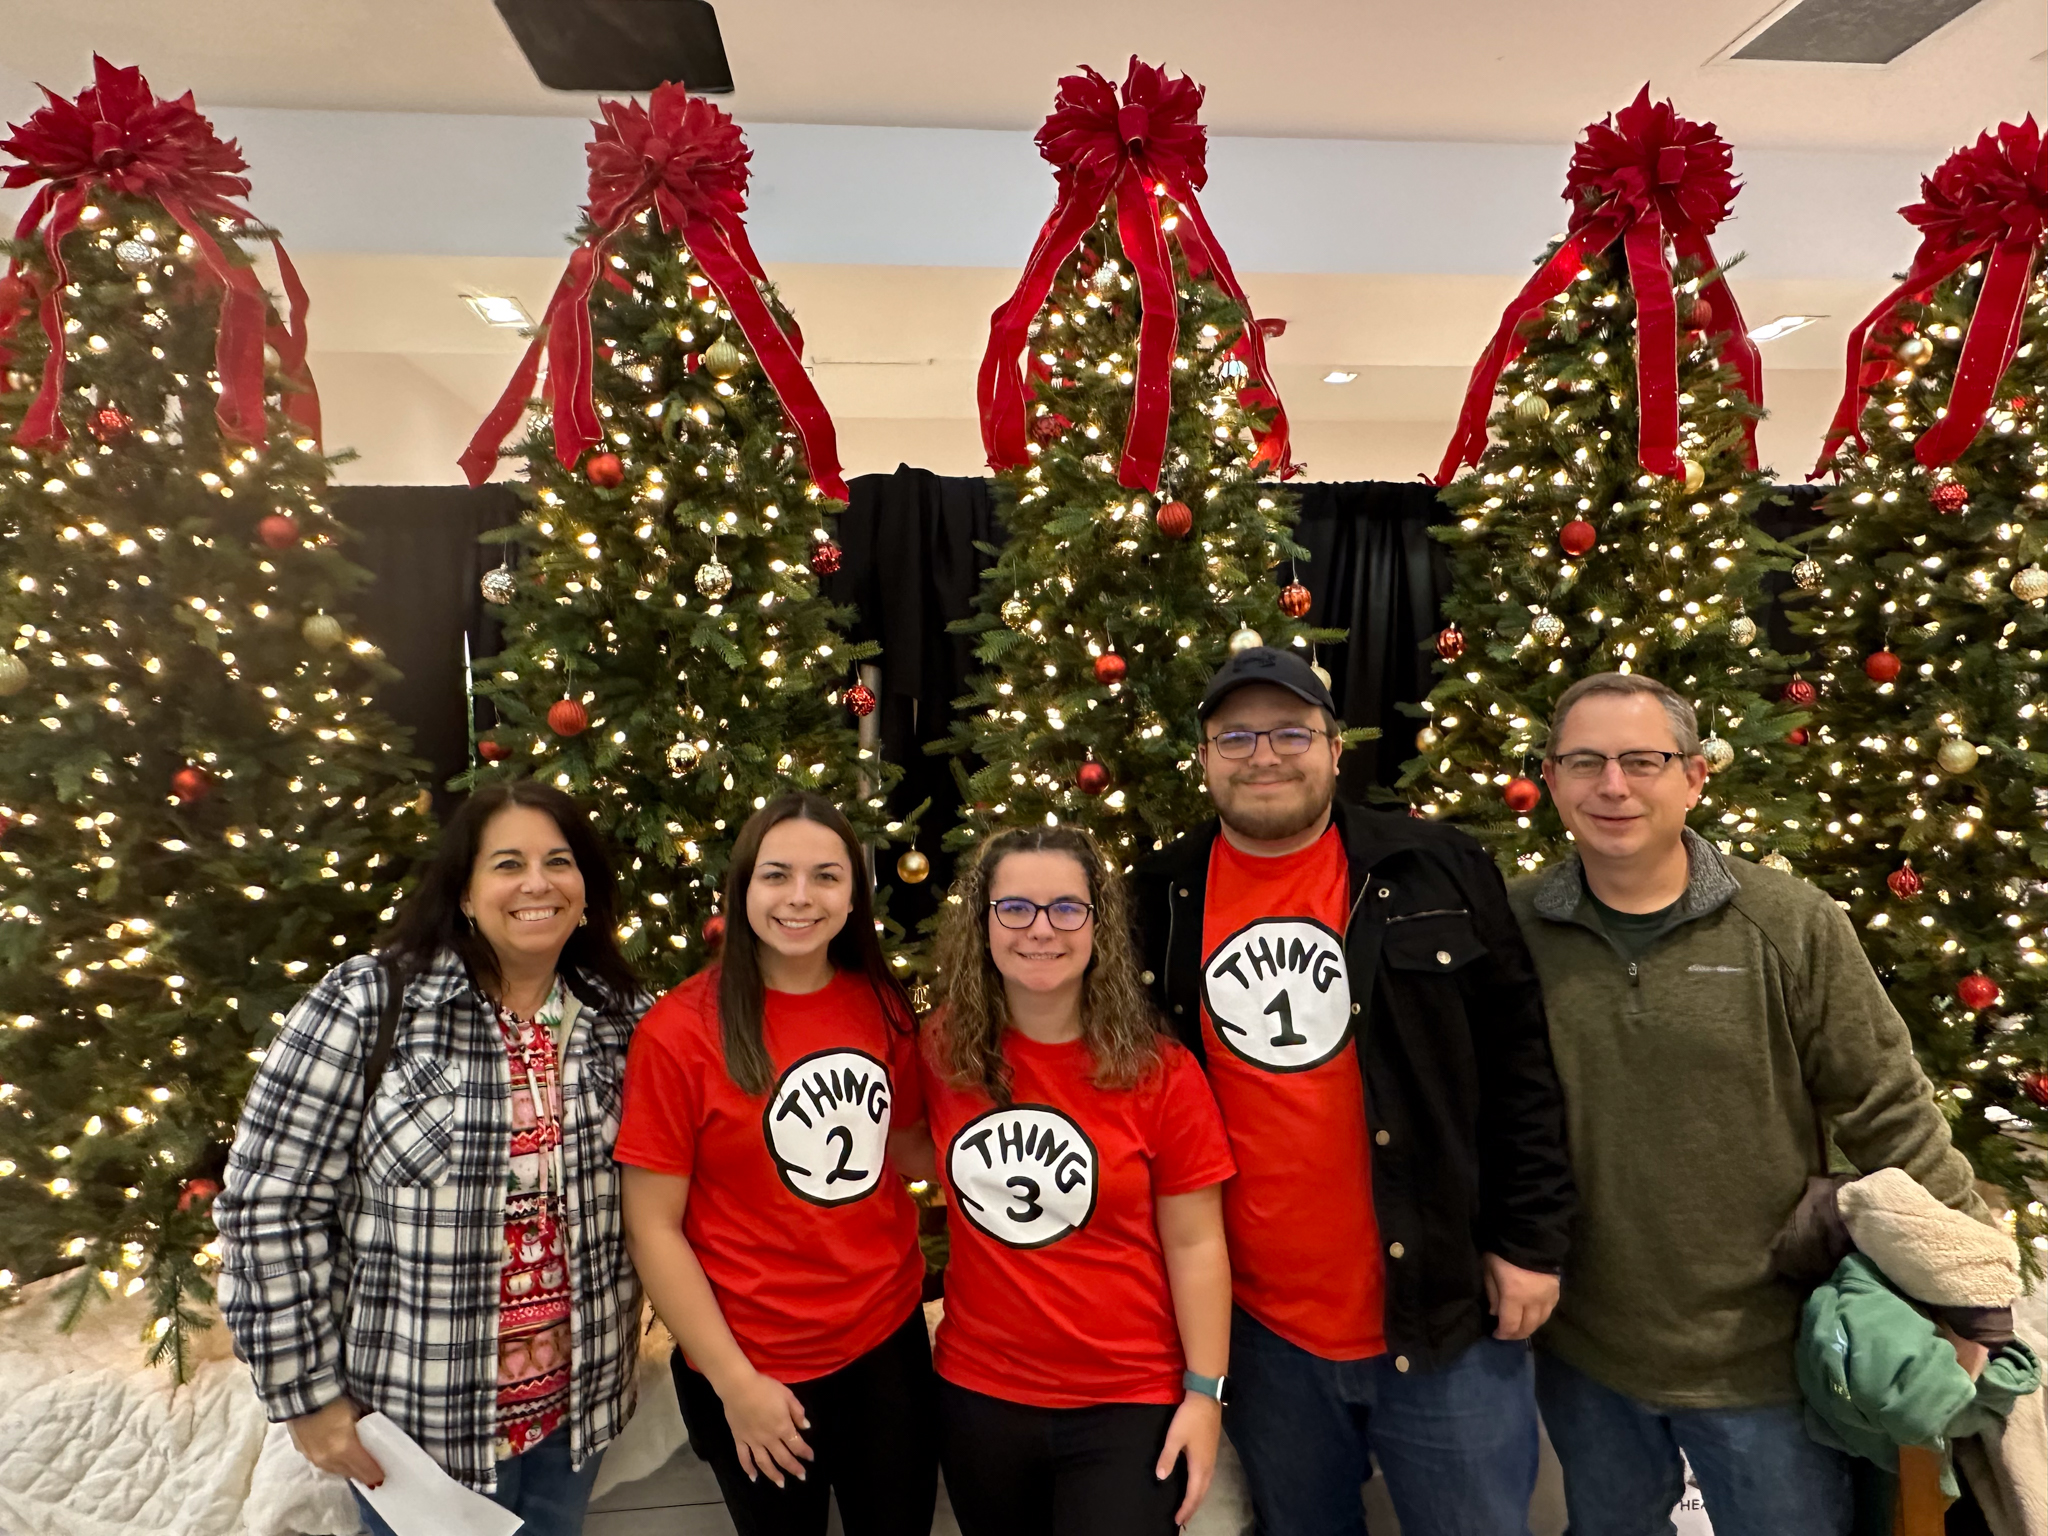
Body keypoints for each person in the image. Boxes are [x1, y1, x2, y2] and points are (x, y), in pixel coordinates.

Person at [1509, 671, 1986, 1535]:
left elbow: (1887, 1107)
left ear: (1695, 776)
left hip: (1761, 1354)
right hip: (1588, 1348)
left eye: (1642, 761)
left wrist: (1970, 1288)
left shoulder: (1790, 924)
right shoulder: (1513, 930)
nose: (1612, 786)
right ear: (1550, 778)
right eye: (1585, 762)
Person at [1131, 645, 1574, 1536]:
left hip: (1444, 1310)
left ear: (1337, 749)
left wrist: (1532, 1241)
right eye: (1237, 736)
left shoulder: (1433, 866)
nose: (1264, 755)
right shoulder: (1161, 894)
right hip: (1261, 1333)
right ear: (1205, 758)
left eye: (1292, 732)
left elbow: (1520, 1062)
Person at [216, 780, 649, 1536]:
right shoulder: (368, 1004)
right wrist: (307, 1395)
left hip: (572, 1424)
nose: (538, 884)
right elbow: (268, 1205)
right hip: (418, 1437)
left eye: (559, 861)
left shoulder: (625, 1019)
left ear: (586, 888)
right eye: (508, 863)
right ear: (466, 891)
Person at [616, 792, 936, 1536]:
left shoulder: (882, 1003)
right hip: (754, 1365)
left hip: (886, 1343)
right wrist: (735, 1385)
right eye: (777, 875)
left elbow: (911, 1144)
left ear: (854, 894)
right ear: (743, 888)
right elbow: (653, 1229)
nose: (800, 897)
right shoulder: (678, 1033)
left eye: (826, 876)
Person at [915, 825, 1235, 1536]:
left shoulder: (1159, 1072)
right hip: (979, 1397)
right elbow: (907, 1148)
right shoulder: (939, 1051)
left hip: (1128, 1401)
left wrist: (1205, 1395)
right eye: (1016, 909)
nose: (1040, 930)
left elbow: (1196, 1245)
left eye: (1066, 908)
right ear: (984, 924)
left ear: (1099, 925)